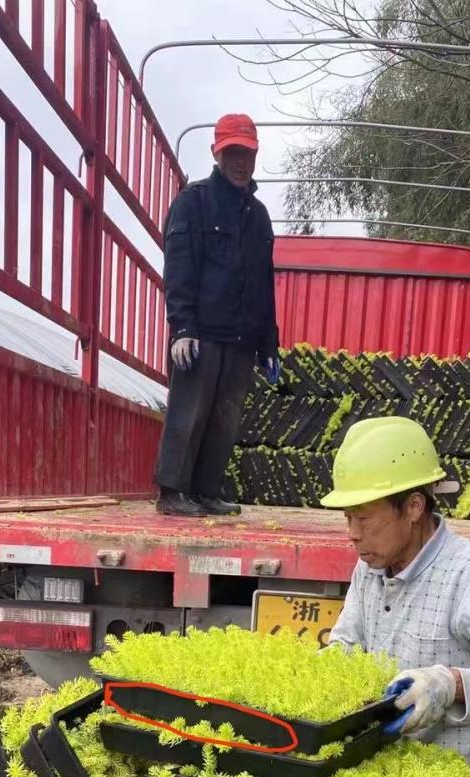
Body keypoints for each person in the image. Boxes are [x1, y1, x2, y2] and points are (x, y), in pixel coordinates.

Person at [322, 417, 470, 766]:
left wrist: (449, 685)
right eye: (347, 519)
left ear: (414, 507)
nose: (353, 533)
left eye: (364, 519)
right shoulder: (371, 567)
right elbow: (347, 648)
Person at [155, 114, 280, 518]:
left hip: (241, 338)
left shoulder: (258, 216)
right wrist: (183, 327)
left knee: (225, 420)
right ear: (217, 153)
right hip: (201, 335)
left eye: (247, 153)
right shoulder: (194, 202)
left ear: (255, 155)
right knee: (188, 414)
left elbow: (263, 284)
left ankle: (207, 491)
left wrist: (269, 344)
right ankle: (171, 493)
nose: (241, 162)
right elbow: (178, 266)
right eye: (233, 154)